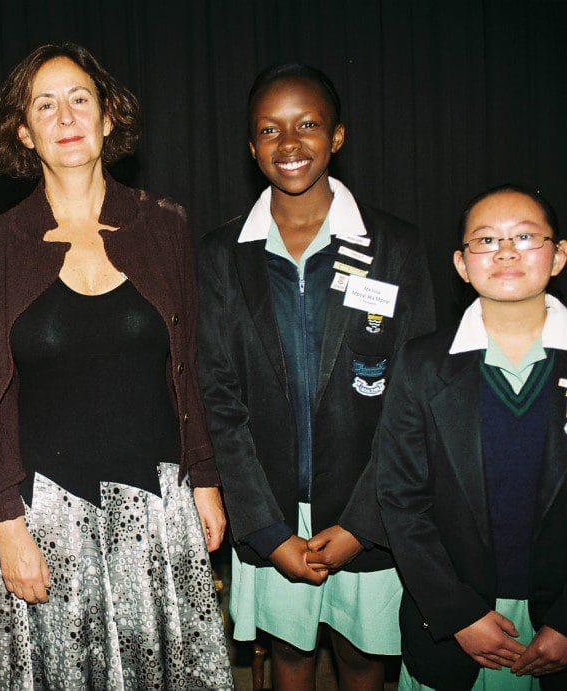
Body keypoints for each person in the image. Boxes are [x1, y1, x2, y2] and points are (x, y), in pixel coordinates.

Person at [0, 42, 233, 690]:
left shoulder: (164, 226)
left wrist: (207, 478)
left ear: (109, 116)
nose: (66, 115)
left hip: (157, 506)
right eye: (44, 105)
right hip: (50, 518)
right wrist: (6, 527)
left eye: (80, 98)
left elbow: (189, 364)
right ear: (23, 133)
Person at [197, 63, 435, 690]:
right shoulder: (221, 255)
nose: (290, 143)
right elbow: (217, 397)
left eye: (307, 125)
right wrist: (266, 529)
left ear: (337, 136)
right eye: (269, 130)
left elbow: (415, 402)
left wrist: (364, 524)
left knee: (361, 662)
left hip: (367, 510)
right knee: (289, 661)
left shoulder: (394, 247)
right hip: (270, 511)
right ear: (252, 149)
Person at [377, 184, 567, 690]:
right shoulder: (421, 365)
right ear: (462, 264)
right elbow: (400, 498)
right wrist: (455, 611)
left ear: (559, 254)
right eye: (485, 241)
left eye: (525, 236)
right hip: (456, 618)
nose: (505, 251)